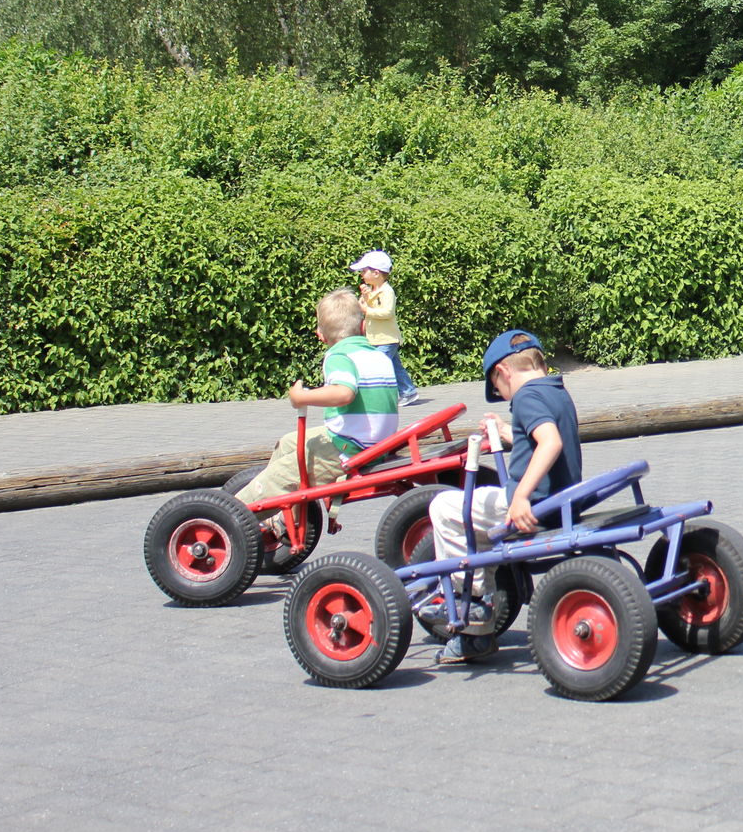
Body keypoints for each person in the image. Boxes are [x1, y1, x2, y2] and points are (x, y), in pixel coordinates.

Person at [426, 329, 584, 664]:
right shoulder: (555, 390)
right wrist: (505, 431)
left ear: (502, 371)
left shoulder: (526, 397)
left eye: (497, 388)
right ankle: (477, 624)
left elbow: (550, 442)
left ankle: (470, 601)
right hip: (560, 500)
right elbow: (536, 438)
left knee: (444, 507)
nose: (502, 394)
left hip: (535, 504)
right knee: (479, 516)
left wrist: (521, 496)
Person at [234, 288, 400, 522]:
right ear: (363, 326)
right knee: (288, 443)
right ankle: (284, 522)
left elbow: (344, 392)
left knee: (277, 478)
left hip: (349, 448)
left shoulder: (340, 356)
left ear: (320, 335)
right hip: (375, 443)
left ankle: (225, 516)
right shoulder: (379, 356)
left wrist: (302, 398)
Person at [350, 249, 419, 405]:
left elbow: (387, 312)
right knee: (394, 366)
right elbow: (368, 307)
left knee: (377, 367)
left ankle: (376, 398)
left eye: (364, 271)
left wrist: (366, 310)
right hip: (377, 338)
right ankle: (408, 391)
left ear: (376, 273)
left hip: (387, 339)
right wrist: (365, 297)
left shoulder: (387, 291)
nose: (362, 274)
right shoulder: (374, 291)